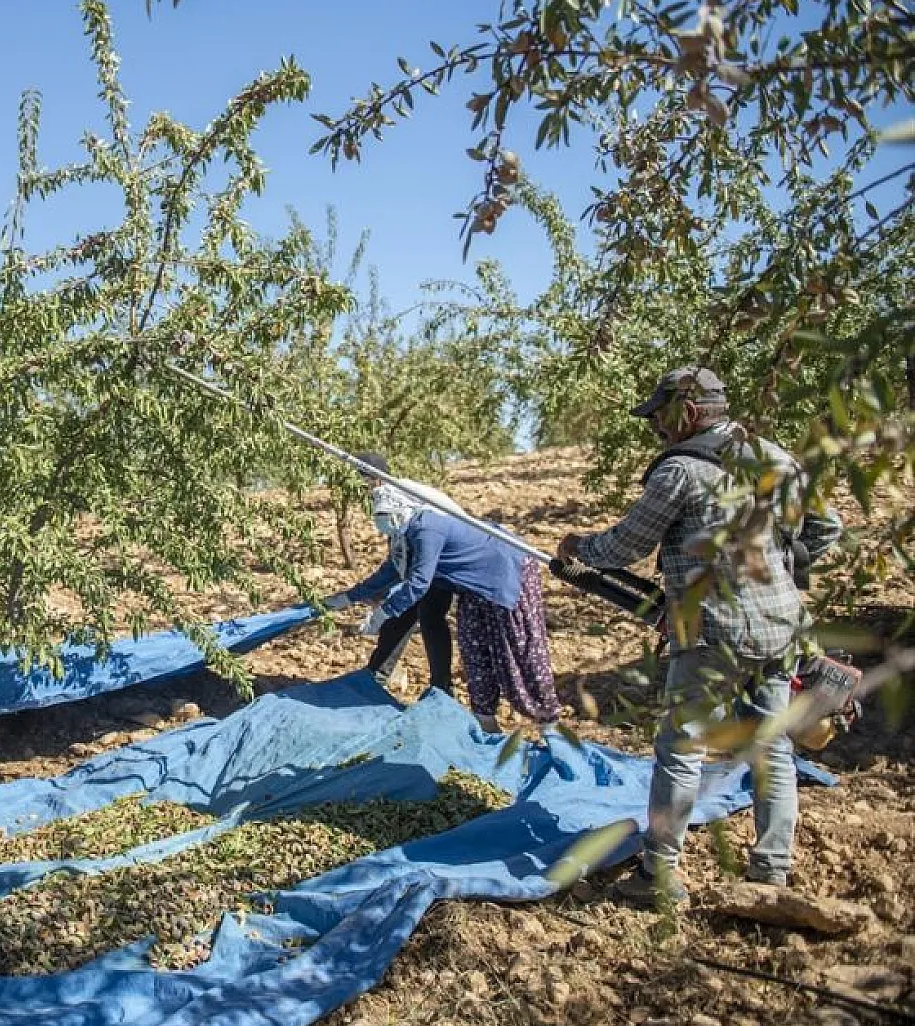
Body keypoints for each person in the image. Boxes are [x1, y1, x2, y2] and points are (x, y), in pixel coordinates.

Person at [557, 365, 842, 908]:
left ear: (686, 413)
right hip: (782, 628)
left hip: (715, 628)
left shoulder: (681, 472)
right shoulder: (775, 458)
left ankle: (659, 876)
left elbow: (626, 545)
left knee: (681, 748)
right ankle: (771, 873)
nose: (656, 431)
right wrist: (780, 564)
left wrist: (579, 550)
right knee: (772, 747)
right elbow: (827, 530)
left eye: (660, 419)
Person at [332, 483, 560, 732]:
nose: (384, 524)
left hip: (504, 574)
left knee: (519, 649)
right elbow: (391, 571)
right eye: (379, 518)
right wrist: (347, 597)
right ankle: (485, 722)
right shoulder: (404, 534)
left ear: (402, 508)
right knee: (474, 649)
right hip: (471, 588)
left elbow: (419, 583)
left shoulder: (427, 527)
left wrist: (383, 614)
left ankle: (550, 725)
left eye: (387, 517)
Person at [344, 452, 474, 696]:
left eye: (362, 478)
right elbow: (398, 548)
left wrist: (381, 610)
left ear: (374, 477)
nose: (360, 485)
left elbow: (418, 538)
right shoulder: (386, 494)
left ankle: (442, 687)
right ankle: (377, 674)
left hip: (442, 559)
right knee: (401, 612)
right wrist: (371, 592)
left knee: (429, 615)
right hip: (425, 559)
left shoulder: (398, 492)